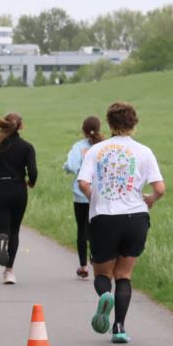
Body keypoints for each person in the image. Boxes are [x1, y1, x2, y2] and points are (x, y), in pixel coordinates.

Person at [77, 101, 165, 344]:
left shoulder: (96, 150)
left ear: (110, 123)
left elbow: (83, 183)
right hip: (135, 218)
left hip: (104, 218)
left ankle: (105, 295)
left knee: (102, 273)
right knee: (124, 275)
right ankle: (119, 328)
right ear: (134, 123)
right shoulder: (144, 151)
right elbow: (160, 188)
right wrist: (151, 200)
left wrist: (95, 199)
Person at [0, 113, 38, 285]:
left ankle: (1, 238)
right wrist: (31, 182)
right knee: (15, 230)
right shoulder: (27, 147)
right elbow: (33, 172)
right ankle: (9, 271)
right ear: (21, 126)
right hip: (18, 189)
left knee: (3, 228)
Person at [63, 116, 104, 279]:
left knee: (82, 229)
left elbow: (71, 165)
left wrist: (67, 168)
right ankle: (97, 259)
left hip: (81, 195)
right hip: (101, 195)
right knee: (97, 229)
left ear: (83, 130)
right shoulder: (105, 146)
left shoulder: (79, 147)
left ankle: (83, 266)